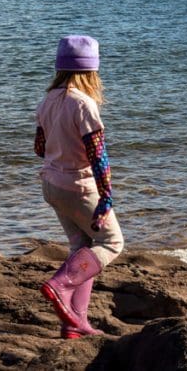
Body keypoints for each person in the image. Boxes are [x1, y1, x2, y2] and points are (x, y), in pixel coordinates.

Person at [34, 35, 123, 339]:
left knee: (81, 248)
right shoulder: (83, 104)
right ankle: (60, 285)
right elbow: (98, 155)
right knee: (112, 243)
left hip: (51, 184)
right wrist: (106, 197)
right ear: (91, 71)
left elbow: (39, 147)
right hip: (79, 186)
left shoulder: (46, 100)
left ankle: (74, 322)